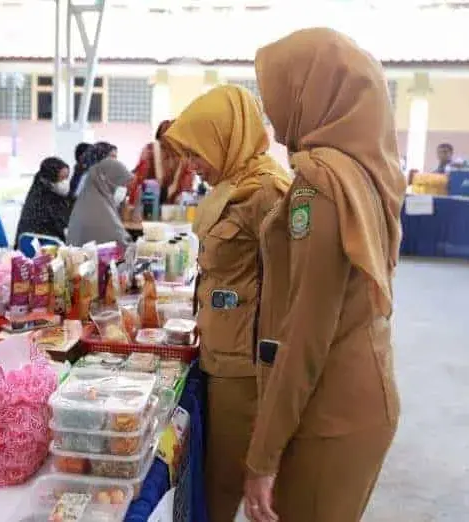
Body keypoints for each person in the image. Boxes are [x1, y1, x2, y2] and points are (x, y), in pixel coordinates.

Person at [242, 28, 405, 522]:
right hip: (359, 391)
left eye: (275, 93)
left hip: (331, 409)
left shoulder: (322, 185)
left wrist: (262, 457)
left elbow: (307, 333)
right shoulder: (366, 170)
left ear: (310, 90)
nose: (270, 116)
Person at [163, 85, 290, 522]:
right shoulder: (229, 185)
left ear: (228, 137)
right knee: (209, 476)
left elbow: (288, 290)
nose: (191, 166)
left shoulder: (267, 193)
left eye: (198, 153)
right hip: (218, 349)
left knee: (221, 487)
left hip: (243, 365)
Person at [67, 158, 134, 248]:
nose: (124, 189)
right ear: (108, 181)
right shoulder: (98, 208)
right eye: (121, 184)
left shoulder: (89, 199)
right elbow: (121, 243)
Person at [129, 120, 196, 205]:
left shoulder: (184, 156)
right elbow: (139, 180)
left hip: (173, 207)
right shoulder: (150, 150)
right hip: (148, 203)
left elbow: (187, 184)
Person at [14, 156, 72, 247]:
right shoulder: (40, 201)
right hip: (42, 248)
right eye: (61, 178)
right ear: (50, 180)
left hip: (48, 244)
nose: (65, 182)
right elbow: (60, 227)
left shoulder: (53, 194)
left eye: (67, 178)